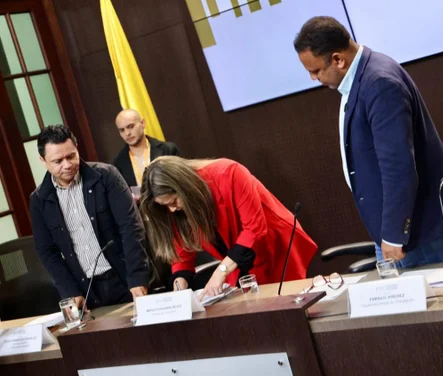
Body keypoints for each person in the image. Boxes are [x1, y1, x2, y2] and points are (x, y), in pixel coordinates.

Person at [294, 16, 443, 268]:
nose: (313, 78)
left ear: (338, 59)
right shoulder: (362, 77)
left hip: (411, 233)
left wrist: (393, 234)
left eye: (316, 71)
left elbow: (398, 165)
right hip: (394, 228)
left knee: (430, 295)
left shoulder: (379, 82)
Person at [139, 156, 318, 298]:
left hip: (272, 247)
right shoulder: (174, 209)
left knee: (286, 303)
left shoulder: (229, 173)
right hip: (237, 258)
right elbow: (182, 252)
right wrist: (180, 286)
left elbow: (254, 229)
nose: (172, 209)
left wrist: (221, 271)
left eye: (173, 201)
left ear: (184, 187)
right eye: (165, 206)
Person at [30, 125, 149, 310]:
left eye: (71, 156)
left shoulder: (106, 176)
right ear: (43, 161)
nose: (67, 165)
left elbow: (131, 227)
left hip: (125, 278)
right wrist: (69, 291)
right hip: (86, 290)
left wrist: (137, 278)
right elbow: (47, 252)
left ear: (77, 149)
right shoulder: (39, 200)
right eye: (58, 161)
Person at [113, 109, 180, 188]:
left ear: (143, 123)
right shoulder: (117, 163)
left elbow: (182, 182)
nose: (127, 133)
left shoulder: (168, 150)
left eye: (131, 127)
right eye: (122, 130)